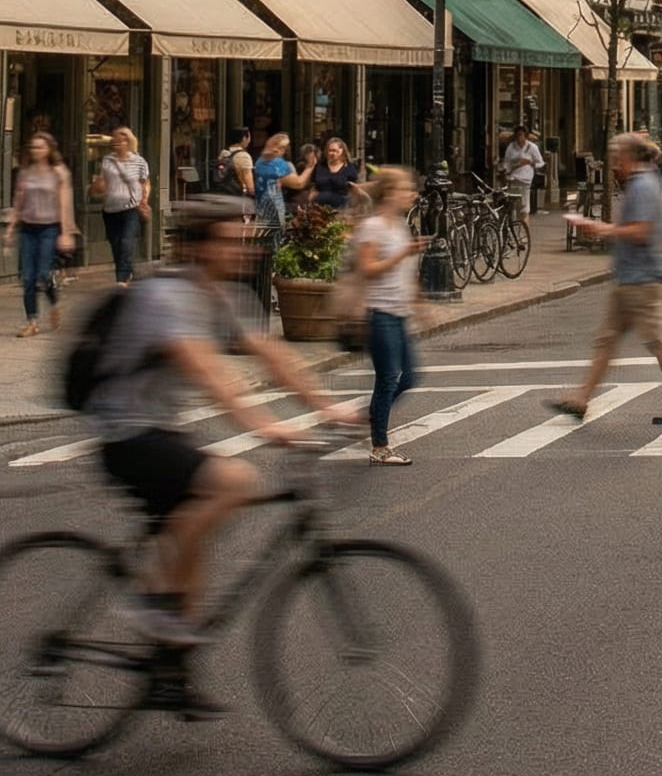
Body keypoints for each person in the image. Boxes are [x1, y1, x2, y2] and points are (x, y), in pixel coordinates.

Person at [87, 198, 360, 669]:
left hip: (158, 430)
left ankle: (169, 668)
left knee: (193, 551)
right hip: (124, 433)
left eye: (246, 238)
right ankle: (152, 605)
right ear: (198, 247)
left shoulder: (225, 295)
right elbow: (208, 374)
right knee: (233, 482)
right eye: (232, 241)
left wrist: (326, 406)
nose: (246, 249)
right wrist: (267, 427)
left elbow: (272, 355)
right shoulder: (165, 297)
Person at [551, 132, 662, 427]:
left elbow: (641, 230)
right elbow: (659, 232)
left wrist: (601, 229)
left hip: (642, 280)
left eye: (617, 158)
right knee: (606, 340)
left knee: (657, 341)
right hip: (633, 277)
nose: (614, 165)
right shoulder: (651, 181)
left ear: (629, 158)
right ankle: (581, 399)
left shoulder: (642, 185)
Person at [353, 168, 425, 466]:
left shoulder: (399, 226)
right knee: (387, 380)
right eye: (406, 189)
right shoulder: (373, 227)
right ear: (390, 193)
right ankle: (380, 446)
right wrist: (402, 254)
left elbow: (404, 273)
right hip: (379, 313)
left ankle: (367, 418)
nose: (412, 194)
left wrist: (419, 305)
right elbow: (367, 269)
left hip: (398, 312)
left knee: (408, 377)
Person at [6, 132, 76, 336]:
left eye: (41, 147)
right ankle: (32, 321)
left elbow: (64, 204)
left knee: (43, 275)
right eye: (34, 147)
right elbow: (18, 201)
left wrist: (65, 232)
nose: (36, 150)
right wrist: (10, 228)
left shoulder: (59, 172)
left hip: (49, 228)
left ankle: (54, 304)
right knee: (27, 277)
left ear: (50, 149)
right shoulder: (25, 172)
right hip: (28, 228)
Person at [97, 125, 153, 286]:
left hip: (131, 208)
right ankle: (127, 273)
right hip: (110, 209)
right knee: (116, 244)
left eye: (121, 140)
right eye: (115, 140)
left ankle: (121, 281)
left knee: (126, 241)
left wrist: (144, 201)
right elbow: (102, 182)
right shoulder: (108, 160)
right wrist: (98, 186)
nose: (117, 143)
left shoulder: (139, 161)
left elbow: (145, 183)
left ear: (128, 142)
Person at [502, 125, 544, 215]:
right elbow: (506, 162)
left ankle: (524, 217)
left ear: (525, 136)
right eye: (517, 135)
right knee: (512, 202)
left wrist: (530, 163)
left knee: (523, 203)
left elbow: (540, 163)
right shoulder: (511, 147)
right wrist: (506, 171)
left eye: (520, 135)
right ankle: (512, 220)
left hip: (525, 179)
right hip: (513, 178)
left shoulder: (532, 147)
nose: (519, 137)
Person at [210, 128, 251, 197]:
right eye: (249, 137)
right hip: (238, 192)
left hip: (224, 191)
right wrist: (252, 191)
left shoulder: (224, 152)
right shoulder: (243, 155)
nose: (249, 140)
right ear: (244, 138)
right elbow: (247, 177)